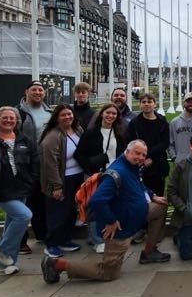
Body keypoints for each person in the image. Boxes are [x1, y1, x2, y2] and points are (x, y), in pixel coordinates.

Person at [41, 140, 170, 283]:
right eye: (137, 153)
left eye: (143, 155)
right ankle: (56, 264)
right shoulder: (116, 173)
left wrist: (152, 196)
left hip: (135, 216)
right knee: (108, 273)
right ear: (127, 152)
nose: (140, 157)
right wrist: (111, 220)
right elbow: (97, 200)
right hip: (120, 228)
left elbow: (138, 183)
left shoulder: (131, 167)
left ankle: (149, 251)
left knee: (160, 207)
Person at [0, 107, 39, 275]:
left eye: (12, 118)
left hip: (22, 186)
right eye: (5, 117)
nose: (9, 120)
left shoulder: (23, 139)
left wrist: (32, 179)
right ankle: (1, 247)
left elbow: (34, 160)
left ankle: (6, 265)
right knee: (23, 216)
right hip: (2, 187)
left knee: (11, 222)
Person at [74, 103, 127, 252]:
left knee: (110, 205)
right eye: (108, 113)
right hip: (96, 174)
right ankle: (96, 239)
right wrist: (90, 168)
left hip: (114, 174)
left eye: (114, 114)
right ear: (101, 114)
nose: (110, 116)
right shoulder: (91, 133)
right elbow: (79, 154)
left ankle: (108, 234)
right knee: (94, 206)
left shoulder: (119, 133)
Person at [39, 105, 84, 258]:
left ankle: (65, 240)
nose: (67, 117)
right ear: (57, 118)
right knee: (57, 212)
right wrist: (56, 185)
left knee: (71, 211)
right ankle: (51, 244)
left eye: (69, 114)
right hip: (61, 179)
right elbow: (49, 163)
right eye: (63, 115)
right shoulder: (53, 136)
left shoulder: (77, 130)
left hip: (77, 176)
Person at [16, 80, 51, 252]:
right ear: (26, 92)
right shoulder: (18, 113)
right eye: (34, 90)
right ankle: (19, 241)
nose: (37, 92)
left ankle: (42, 233)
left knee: (40, 201)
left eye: (40, 90)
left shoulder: (49, 112)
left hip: (44, 163)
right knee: (22, 202)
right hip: (24, 164)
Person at [125, 93, 170, 196]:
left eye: (149, 102)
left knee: (158, 197)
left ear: (155, 104)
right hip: (139, 165)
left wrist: (149, 155)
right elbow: (130, 141)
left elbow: (164, 142)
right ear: (140, 104)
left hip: (158, 165)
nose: (146, 104)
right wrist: (143, 158)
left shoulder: (162, 122)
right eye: (143, 102)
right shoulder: (134, 123)